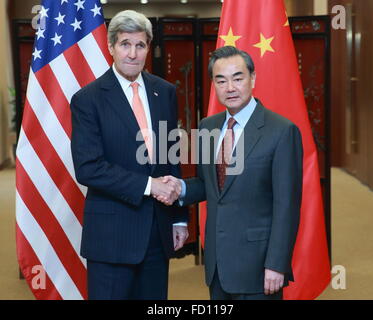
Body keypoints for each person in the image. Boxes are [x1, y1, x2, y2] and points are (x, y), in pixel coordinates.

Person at [160, 46, 303, 300]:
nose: (230, 87)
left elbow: (287, 206)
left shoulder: (282, 131)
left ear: (253, 79)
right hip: (218, 265)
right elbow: (210, 185)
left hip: (259, 267)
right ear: (214, 84)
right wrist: (180, 188)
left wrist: (277, 264)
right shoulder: (208, 127)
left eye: (238, 78)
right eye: (221, 80)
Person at [70, 10, 188, 300]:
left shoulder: (165, 92)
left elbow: (171, 158)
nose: (133, 54)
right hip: (112, 237)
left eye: (140, 45)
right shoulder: (88, 99)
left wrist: (179, 218)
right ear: (111, 47)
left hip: (157, 233)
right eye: (125, 44)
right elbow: (88, 168)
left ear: (149, 48)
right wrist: (150, 186)